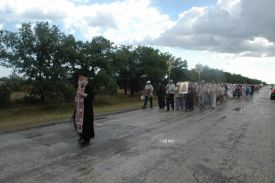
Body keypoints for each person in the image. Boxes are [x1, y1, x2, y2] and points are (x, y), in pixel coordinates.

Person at [74, 73, 95, 145]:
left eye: (81, 77)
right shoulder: (80, 85)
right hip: (79, 108)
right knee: (78, 122)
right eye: (79, 77)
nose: (79, 78)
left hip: (87, 109)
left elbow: (92, 97)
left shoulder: (89, 85)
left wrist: (83, 94)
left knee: (86, 124)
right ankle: (82, 136)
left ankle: (87, 139)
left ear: (85, 77)